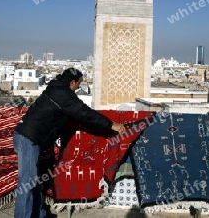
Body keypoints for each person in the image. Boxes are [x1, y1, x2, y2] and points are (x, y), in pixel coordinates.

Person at [13, 68, 126, 218]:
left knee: (34, 181)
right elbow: (85, 112)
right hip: (29, 139)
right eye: (78, 84)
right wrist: (112, 125)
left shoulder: (56, 88)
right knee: (26, 184)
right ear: (72, 82)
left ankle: (38, 214)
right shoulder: (63, 95)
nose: (78, 88)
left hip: (34, 139)